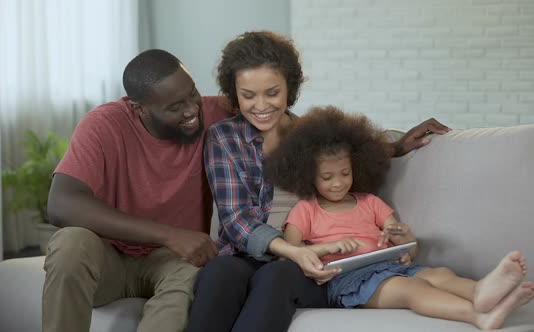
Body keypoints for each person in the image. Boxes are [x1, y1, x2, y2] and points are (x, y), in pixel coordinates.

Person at [187, 30, 452, 332]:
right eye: (248, 96)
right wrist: (293, 251)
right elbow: (235, 221)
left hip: (311, 260)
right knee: (219, 271)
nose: (261, 106)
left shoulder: (313, 136)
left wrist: (395, 147)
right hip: (250, 253)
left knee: (278, 275)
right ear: (235, 94)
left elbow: (343, 160)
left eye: (272, 93)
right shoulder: (224, 137)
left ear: (290, 87)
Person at [264, 105, 534, 330]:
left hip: (391, 267)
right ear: (308, 175)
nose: (338, 183)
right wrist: (326, 249)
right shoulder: (306, 210)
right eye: (327, 177)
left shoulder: (370, 202)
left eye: (345, 173)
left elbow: (408, 245)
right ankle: (478, 316)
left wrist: (402, 238)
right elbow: (289, 252)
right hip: (349, 282)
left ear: (356, 166)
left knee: (439, 274)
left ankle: (480, 292)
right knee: (410, 290)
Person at [42, 49, 232, 332]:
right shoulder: (104, 124)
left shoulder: (215, 113)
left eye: (192, 93)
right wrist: (170, 234)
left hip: (172, 262)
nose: (192, 110)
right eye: (175, 106)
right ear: (139, 109)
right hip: (109, 258)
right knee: (70, 243)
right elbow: (61, 203)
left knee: (192, 273)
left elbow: (278, 116)